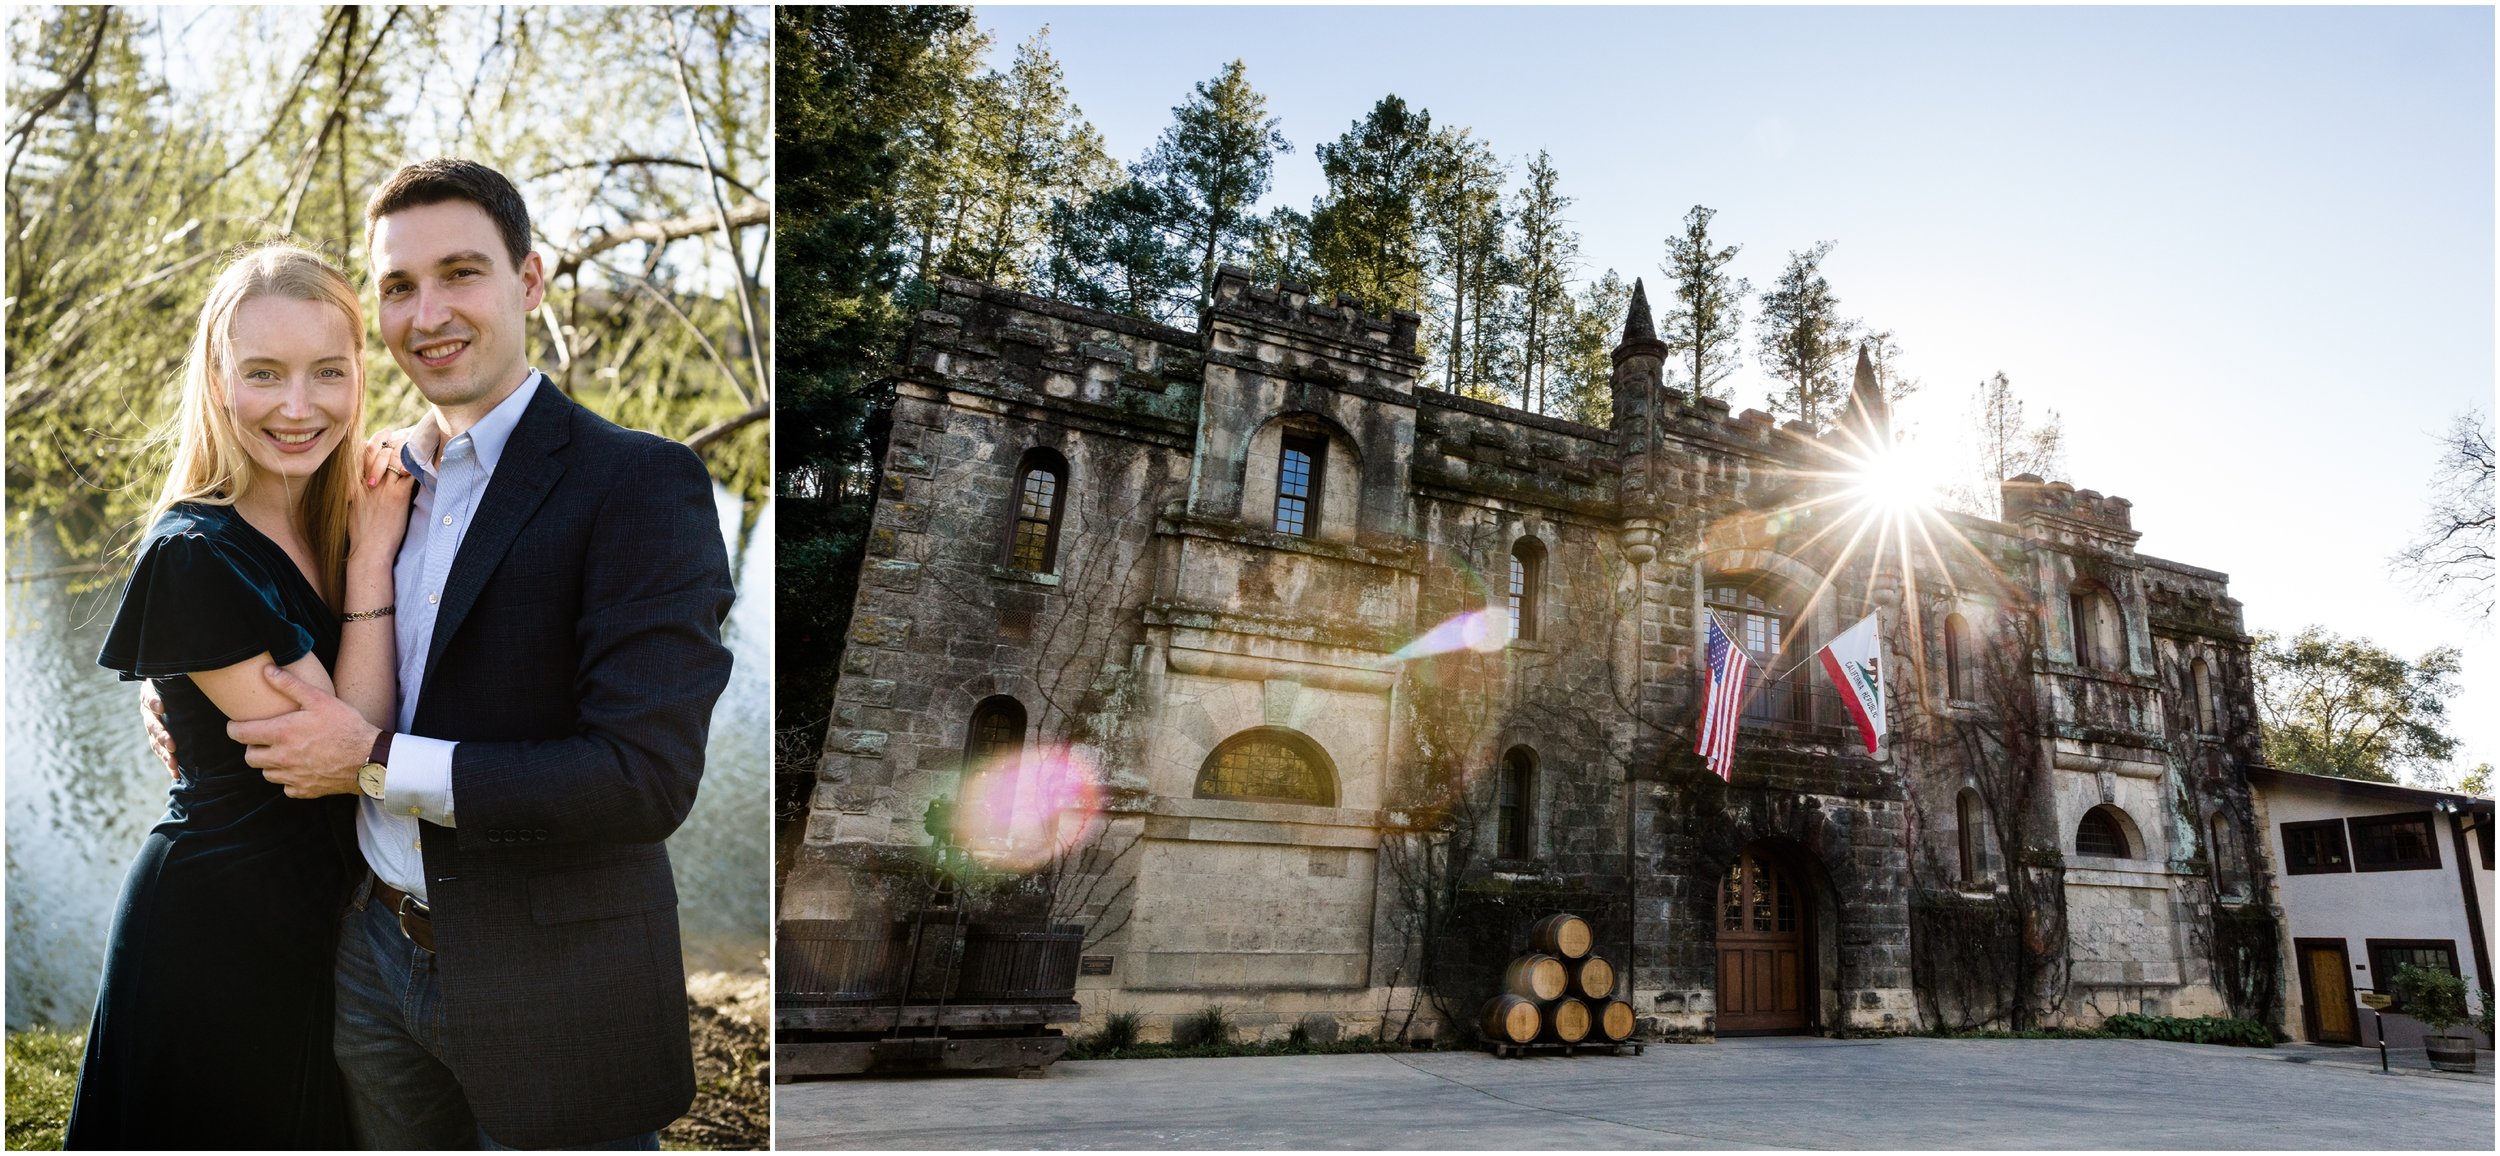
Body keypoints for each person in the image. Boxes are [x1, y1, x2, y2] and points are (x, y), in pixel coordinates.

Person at [206, 158, 735, 1149]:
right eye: (399, 286)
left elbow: (643, 778)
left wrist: (369, 760)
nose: (429, 311)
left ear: (528, 281)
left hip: (554, 988)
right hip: (370, 953)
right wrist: (188, 704)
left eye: (462, 272)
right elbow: (277, 629)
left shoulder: (638, 484)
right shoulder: (365, 478)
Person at [69, 244, 416, 1149]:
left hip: (325, 930)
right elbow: (347, 750)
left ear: (358, 377)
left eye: (327, 373)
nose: (298, 408)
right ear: (219, 383)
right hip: (217, 931)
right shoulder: (197, 550)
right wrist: (375, 560)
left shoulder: (340, 512)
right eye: (264, 374)